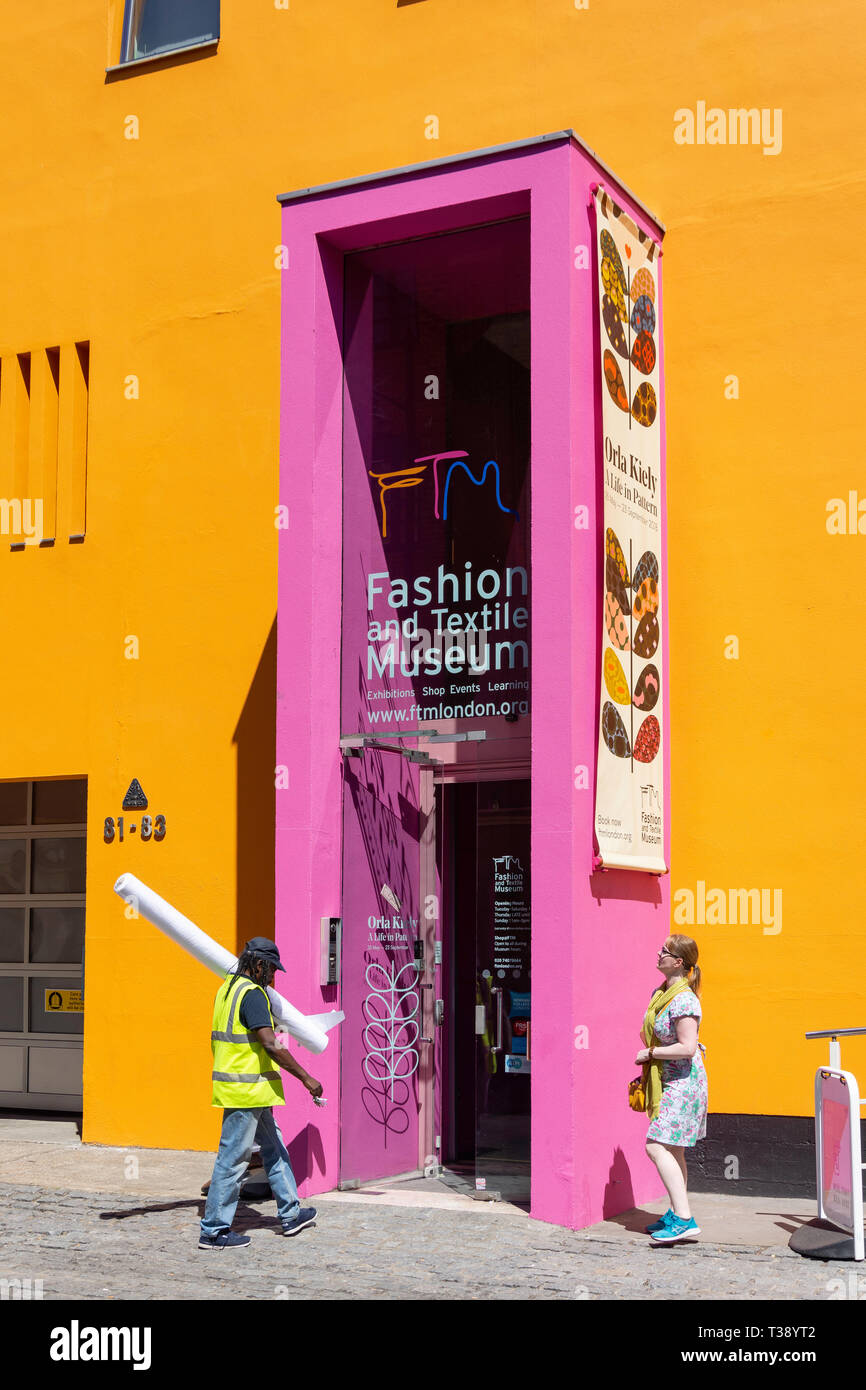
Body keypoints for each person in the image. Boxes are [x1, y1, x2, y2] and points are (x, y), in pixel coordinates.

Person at [199, 936, 323, 1251]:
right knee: (232, 1160)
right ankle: (213, 1230)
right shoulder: (252, 995)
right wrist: (306, 1077)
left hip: (253, 1091)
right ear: (257, 964)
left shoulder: (228, 988)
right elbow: (270, 1043)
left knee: (275, 1150)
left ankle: (291, 1214)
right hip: (245, 1092)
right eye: (270, 970)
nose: (272, 977)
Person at [634, 934, 707, 1244]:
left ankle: (684, 1218)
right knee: (673, 1149)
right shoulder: (661, 993)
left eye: (664, 951)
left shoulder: (685, 999)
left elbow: (688, 1048)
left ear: (678, 961)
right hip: (668, 1080)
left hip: (684, 1083)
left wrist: (651, 1054)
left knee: (655, 1146)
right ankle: (677, 1210)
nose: (658, 953)